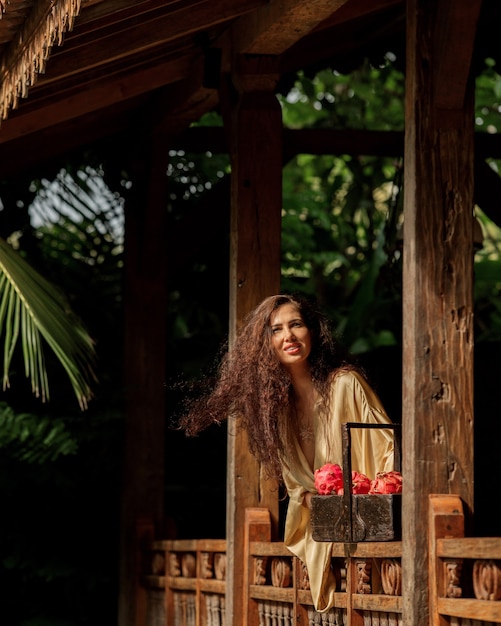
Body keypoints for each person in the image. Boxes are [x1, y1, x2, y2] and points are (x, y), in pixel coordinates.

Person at [178, 294, 395, 612]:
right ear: (264, 344)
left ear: (313, 332)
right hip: (314, 544)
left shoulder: (346, 384)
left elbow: (386, 456)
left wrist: (356, 494)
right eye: (275, 330)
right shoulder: (276, 410)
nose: (288, 336)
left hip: (365, 543)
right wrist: (314, 500)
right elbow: (297, 490)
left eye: (296, 324)